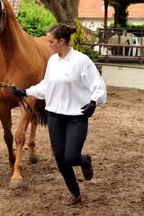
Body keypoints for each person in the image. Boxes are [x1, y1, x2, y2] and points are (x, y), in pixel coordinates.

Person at [11, 23, 107, 206]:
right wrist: (24, 92)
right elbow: (46, 86)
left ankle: (84, 160)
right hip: (55, 115)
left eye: (51, 41)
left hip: (76, 117)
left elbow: (98, 85)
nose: (48, 45)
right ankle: (75, 192)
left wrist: (94, 102)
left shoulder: (82, 61)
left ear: (62, 41)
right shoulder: (53, 61)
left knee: (71, 157)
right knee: (60, 159)